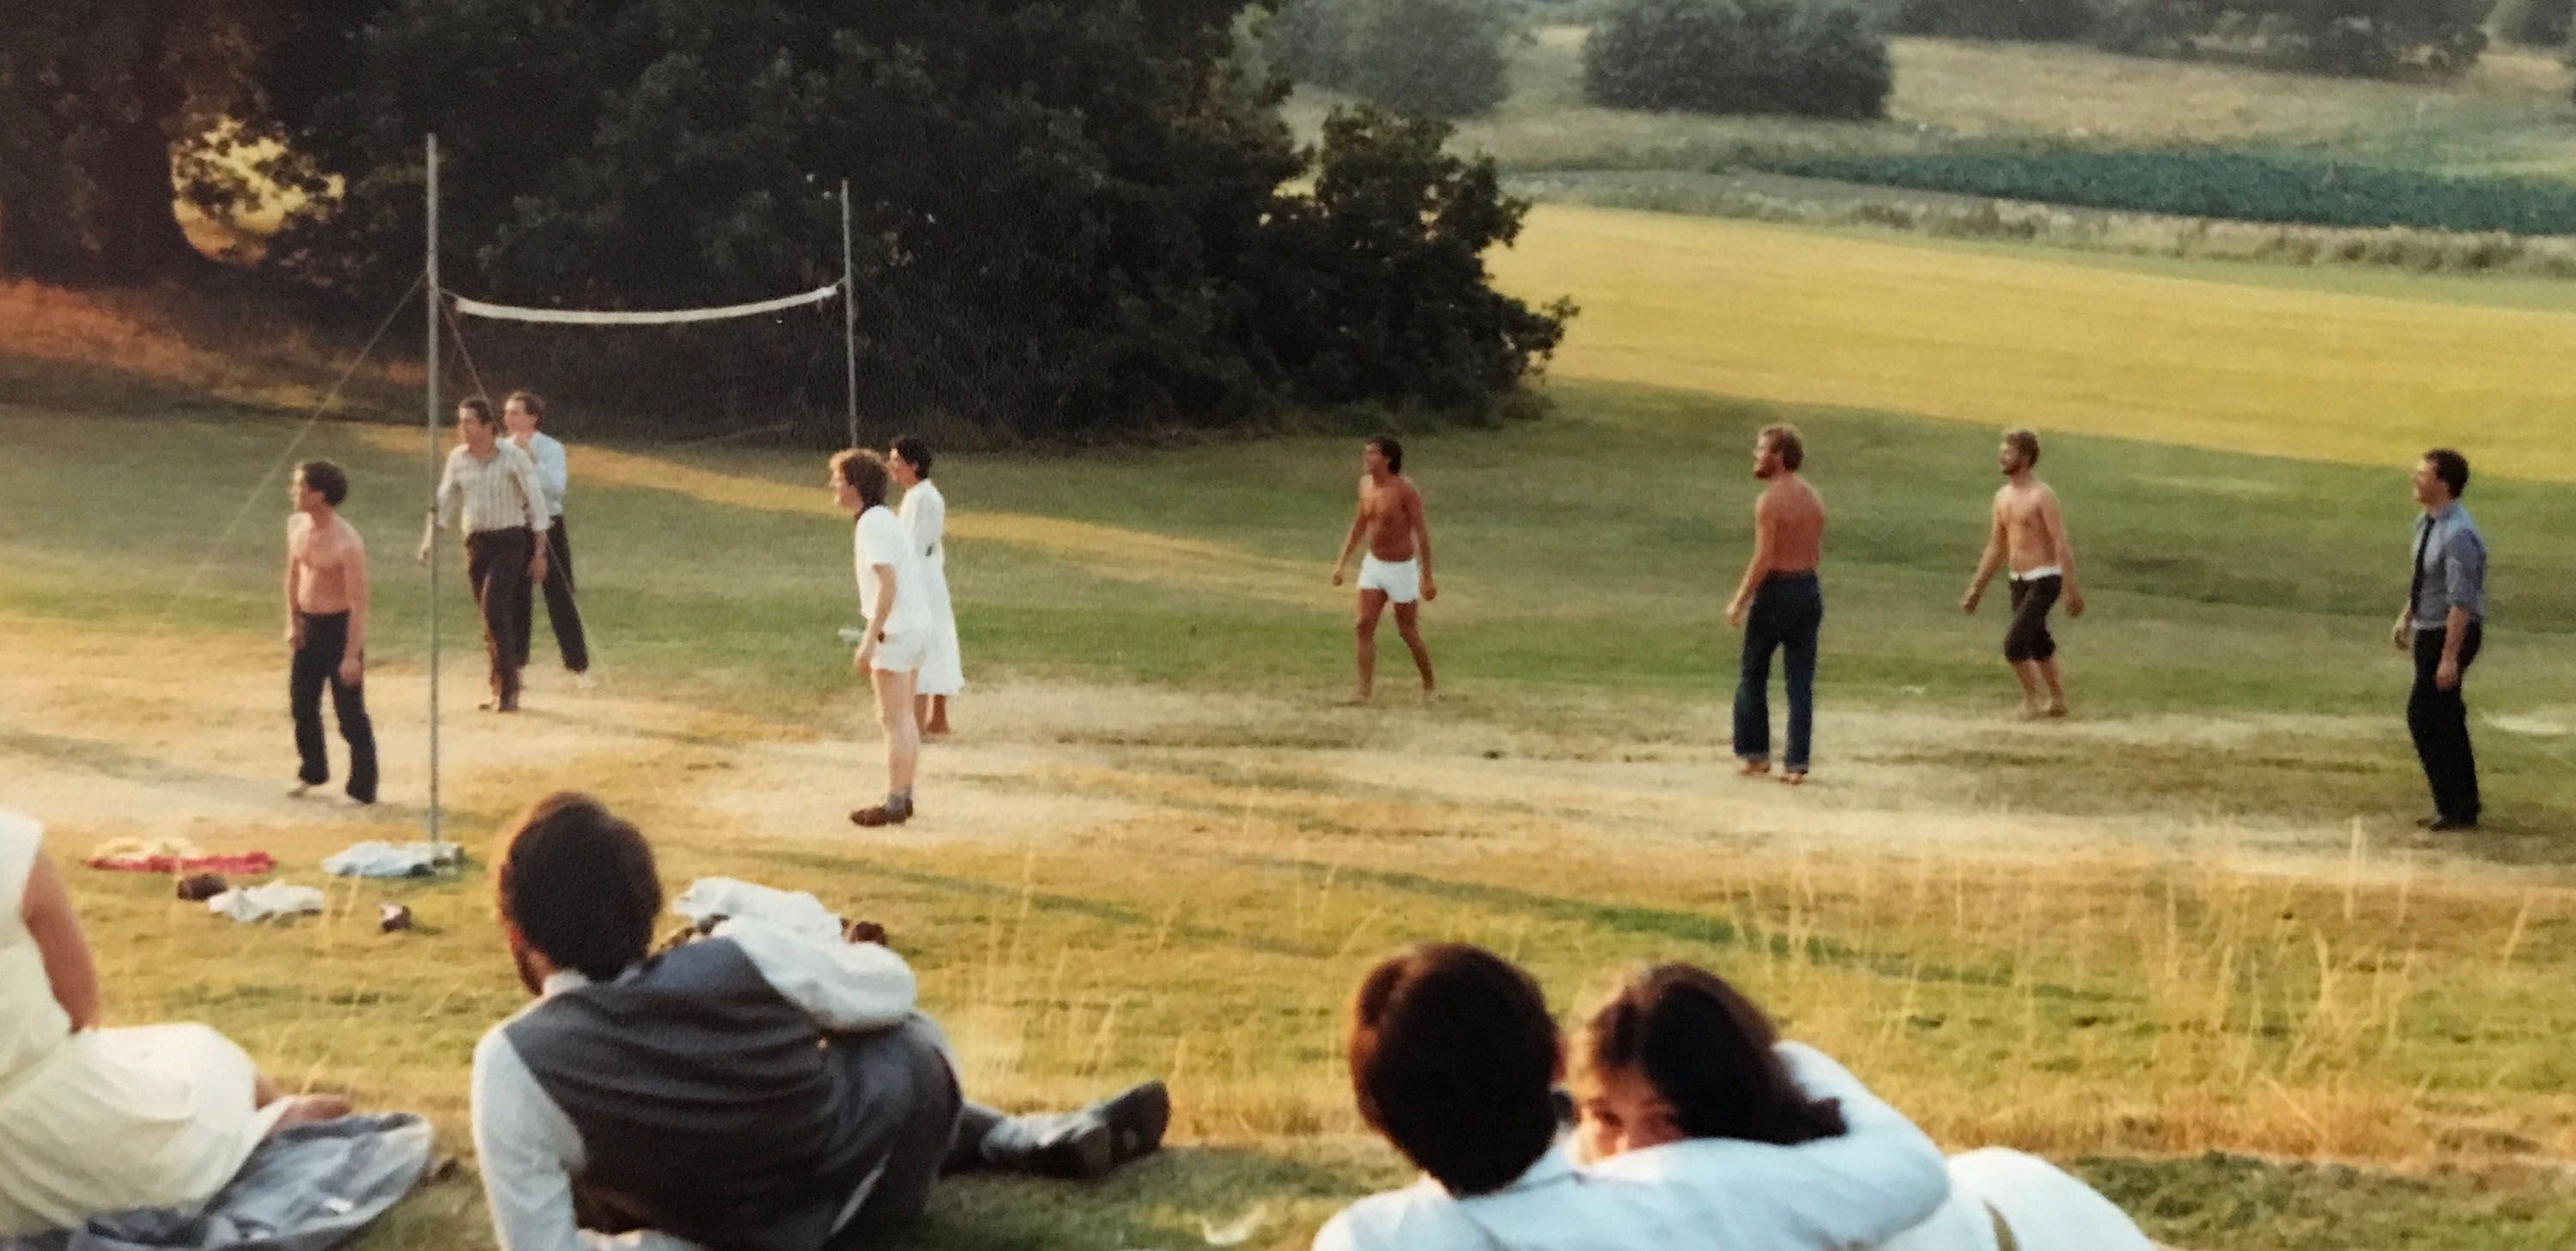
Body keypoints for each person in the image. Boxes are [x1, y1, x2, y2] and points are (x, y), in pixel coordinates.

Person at [470, 793, 1168, 1251]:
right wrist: (816, 950)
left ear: (518, 937)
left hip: (702, 1222)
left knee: (584, 1183)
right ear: (645, 901)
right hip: (867, 1202)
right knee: (901, 1042)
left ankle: (1017, 1137)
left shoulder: (512, 1063)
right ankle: (1017, 1135)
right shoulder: (738, 952)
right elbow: (894, 991)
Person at [1312, 942, 1952, 1251]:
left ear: (1373, 1118)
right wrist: (1789, 1060)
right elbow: (1914, 1172)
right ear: (1560, 1061)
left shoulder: (1368, 1240)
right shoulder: (1702, 1194)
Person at [1569, 963, 2158, 1250]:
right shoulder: (1575, 1191)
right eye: (1608, 1120)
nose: (1629, 1156)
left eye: (1666, 1120)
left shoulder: (1835, 1204)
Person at [0, 809, 349, 1236]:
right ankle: (273, 1127)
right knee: (201, 1052)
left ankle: (268, 1126)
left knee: (147, 1054)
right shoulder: (11, 846)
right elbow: (80, 1008)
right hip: (51, 1144)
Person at [419, 397, 550, 713]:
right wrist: (429, 540)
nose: (462, 428)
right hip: (476, 543)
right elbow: (444, 500)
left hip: (509, 541)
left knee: (494, 609)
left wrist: (540, 552)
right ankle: (499, 685)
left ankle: (508, 689)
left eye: (469, 422)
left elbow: (536, 501)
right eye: (460, 422)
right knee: (488, 617)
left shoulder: (513, 457)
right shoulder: (458, 459)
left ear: (488, 427)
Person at [834, 449, 933, 828]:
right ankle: (902, 796)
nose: (834, 487)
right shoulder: (881, 519)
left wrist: (869, 639)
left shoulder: (871, 525)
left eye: (840, 481)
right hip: (915, 627)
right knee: (903, 718)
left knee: (893, 719)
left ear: (855, 487)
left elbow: (887, 584)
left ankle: (894, 802)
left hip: (899, 631)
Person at [1959, 428, 2085, 720]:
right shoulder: (2002, 497)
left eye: (2008, 452)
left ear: (2025, 458)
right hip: (2018, 579)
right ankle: (2057, 700)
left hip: (2045, 577)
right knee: (2037, 640)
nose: (2001, 457)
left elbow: (2060, 541)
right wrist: (1976, 589)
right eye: (2002, 451)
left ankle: (2031, 700)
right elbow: (1996, 545)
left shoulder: (2042, 496)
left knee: (2015, 643)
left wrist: (2070, 587)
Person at [1725, 424, 1826, 783]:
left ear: (1778, 457)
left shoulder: (1769, 501)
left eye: (1761, 449)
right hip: (1808, 588)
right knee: (1800, 682)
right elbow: (1813, 551)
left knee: (1753, 671)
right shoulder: (1813, 499)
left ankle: (1755, 754)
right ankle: (1797, 764)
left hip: (1777, 590)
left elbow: (1764, 558)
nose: (1755, 455)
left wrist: (1740, 600)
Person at [2396, 447, 2486, 832]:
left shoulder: (2458, 534)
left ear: (2443, 484)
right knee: (2445, 715)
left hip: (2450, 632)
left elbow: (2460, 601)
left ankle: (2454, 805)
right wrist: (2407, 616)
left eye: (2423, 474)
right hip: (2428, 627)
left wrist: (2450, 657)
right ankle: (2460, 804)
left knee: (2425, 715)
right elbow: (2424, 579)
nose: (2414, 480)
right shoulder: (2426, 522)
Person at [283, 459, 377, 806]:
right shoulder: (297, 527)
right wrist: (292, 621)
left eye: (300, 487)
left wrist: (352, 655)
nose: (294, 493)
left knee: (349, 713)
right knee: (301, 704)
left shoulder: (347, 543)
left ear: (319, 495)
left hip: (339, 629)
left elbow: (358, 603)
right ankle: (313, 770)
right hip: (309, 625)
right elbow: (293, 577)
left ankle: (362, 787)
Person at [1328, 434, 1437, 704]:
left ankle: (1429, 684)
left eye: (1373, 454)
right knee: (1363, 625)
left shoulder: (1404, 490)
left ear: (1388, 458)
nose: (1366, 459)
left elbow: (1422, 533)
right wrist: (1341, 563)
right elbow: (1359, 525)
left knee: (1407, 630)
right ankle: (1364, 692)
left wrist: (1427, 576)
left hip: (1401, 569)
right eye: (1366, 453)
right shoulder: (1365, 486)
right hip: (1374, 565)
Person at [504, 391, 592, 683]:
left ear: (533, 417)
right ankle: (516, 666)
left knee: (561, 595)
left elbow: (556, 488)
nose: (509, 418)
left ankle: (578, 666)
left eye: (516, 413)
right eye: (507, 413)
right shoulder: (501, 449)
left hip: (550, 524)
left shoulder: (551, 448)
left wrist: (530, 460)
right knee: (517, 596)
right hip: (516, 524)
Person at [890, 435, 963, 739]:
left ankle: (921, 722)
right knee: (938, 641)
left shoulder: (921, 497)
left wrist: (900, 585)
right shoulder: (923, 495)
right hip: (930, 574)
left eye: (896, 461)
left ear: (913, 465)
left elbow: (912, 546)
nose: (891, 467)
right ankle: (937, 718)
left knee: (922, 643)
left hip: (921, 577)